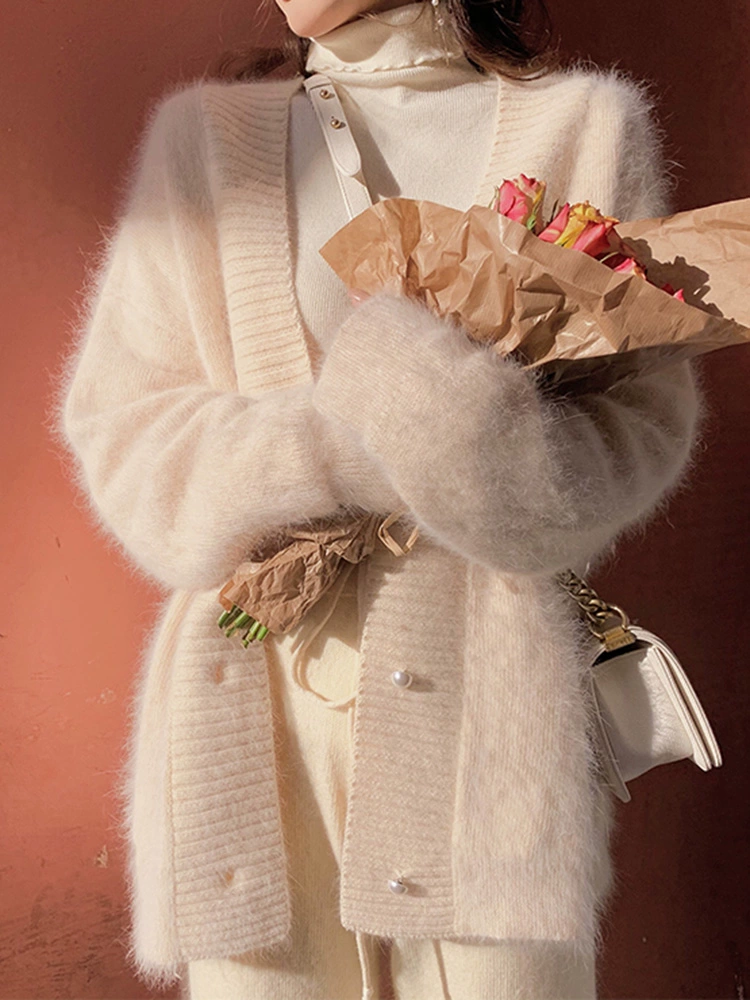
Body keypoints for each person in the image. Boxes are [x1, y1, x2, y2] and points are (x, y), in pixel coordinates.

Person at [52, 0, 703, 996]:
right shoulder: (203, 141)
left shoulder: (585, 126)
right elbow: (128, 442)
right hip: (257, 706)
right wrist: (363, 437)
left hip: (490, 716)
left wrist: (452, 429)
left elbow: (636, 439)